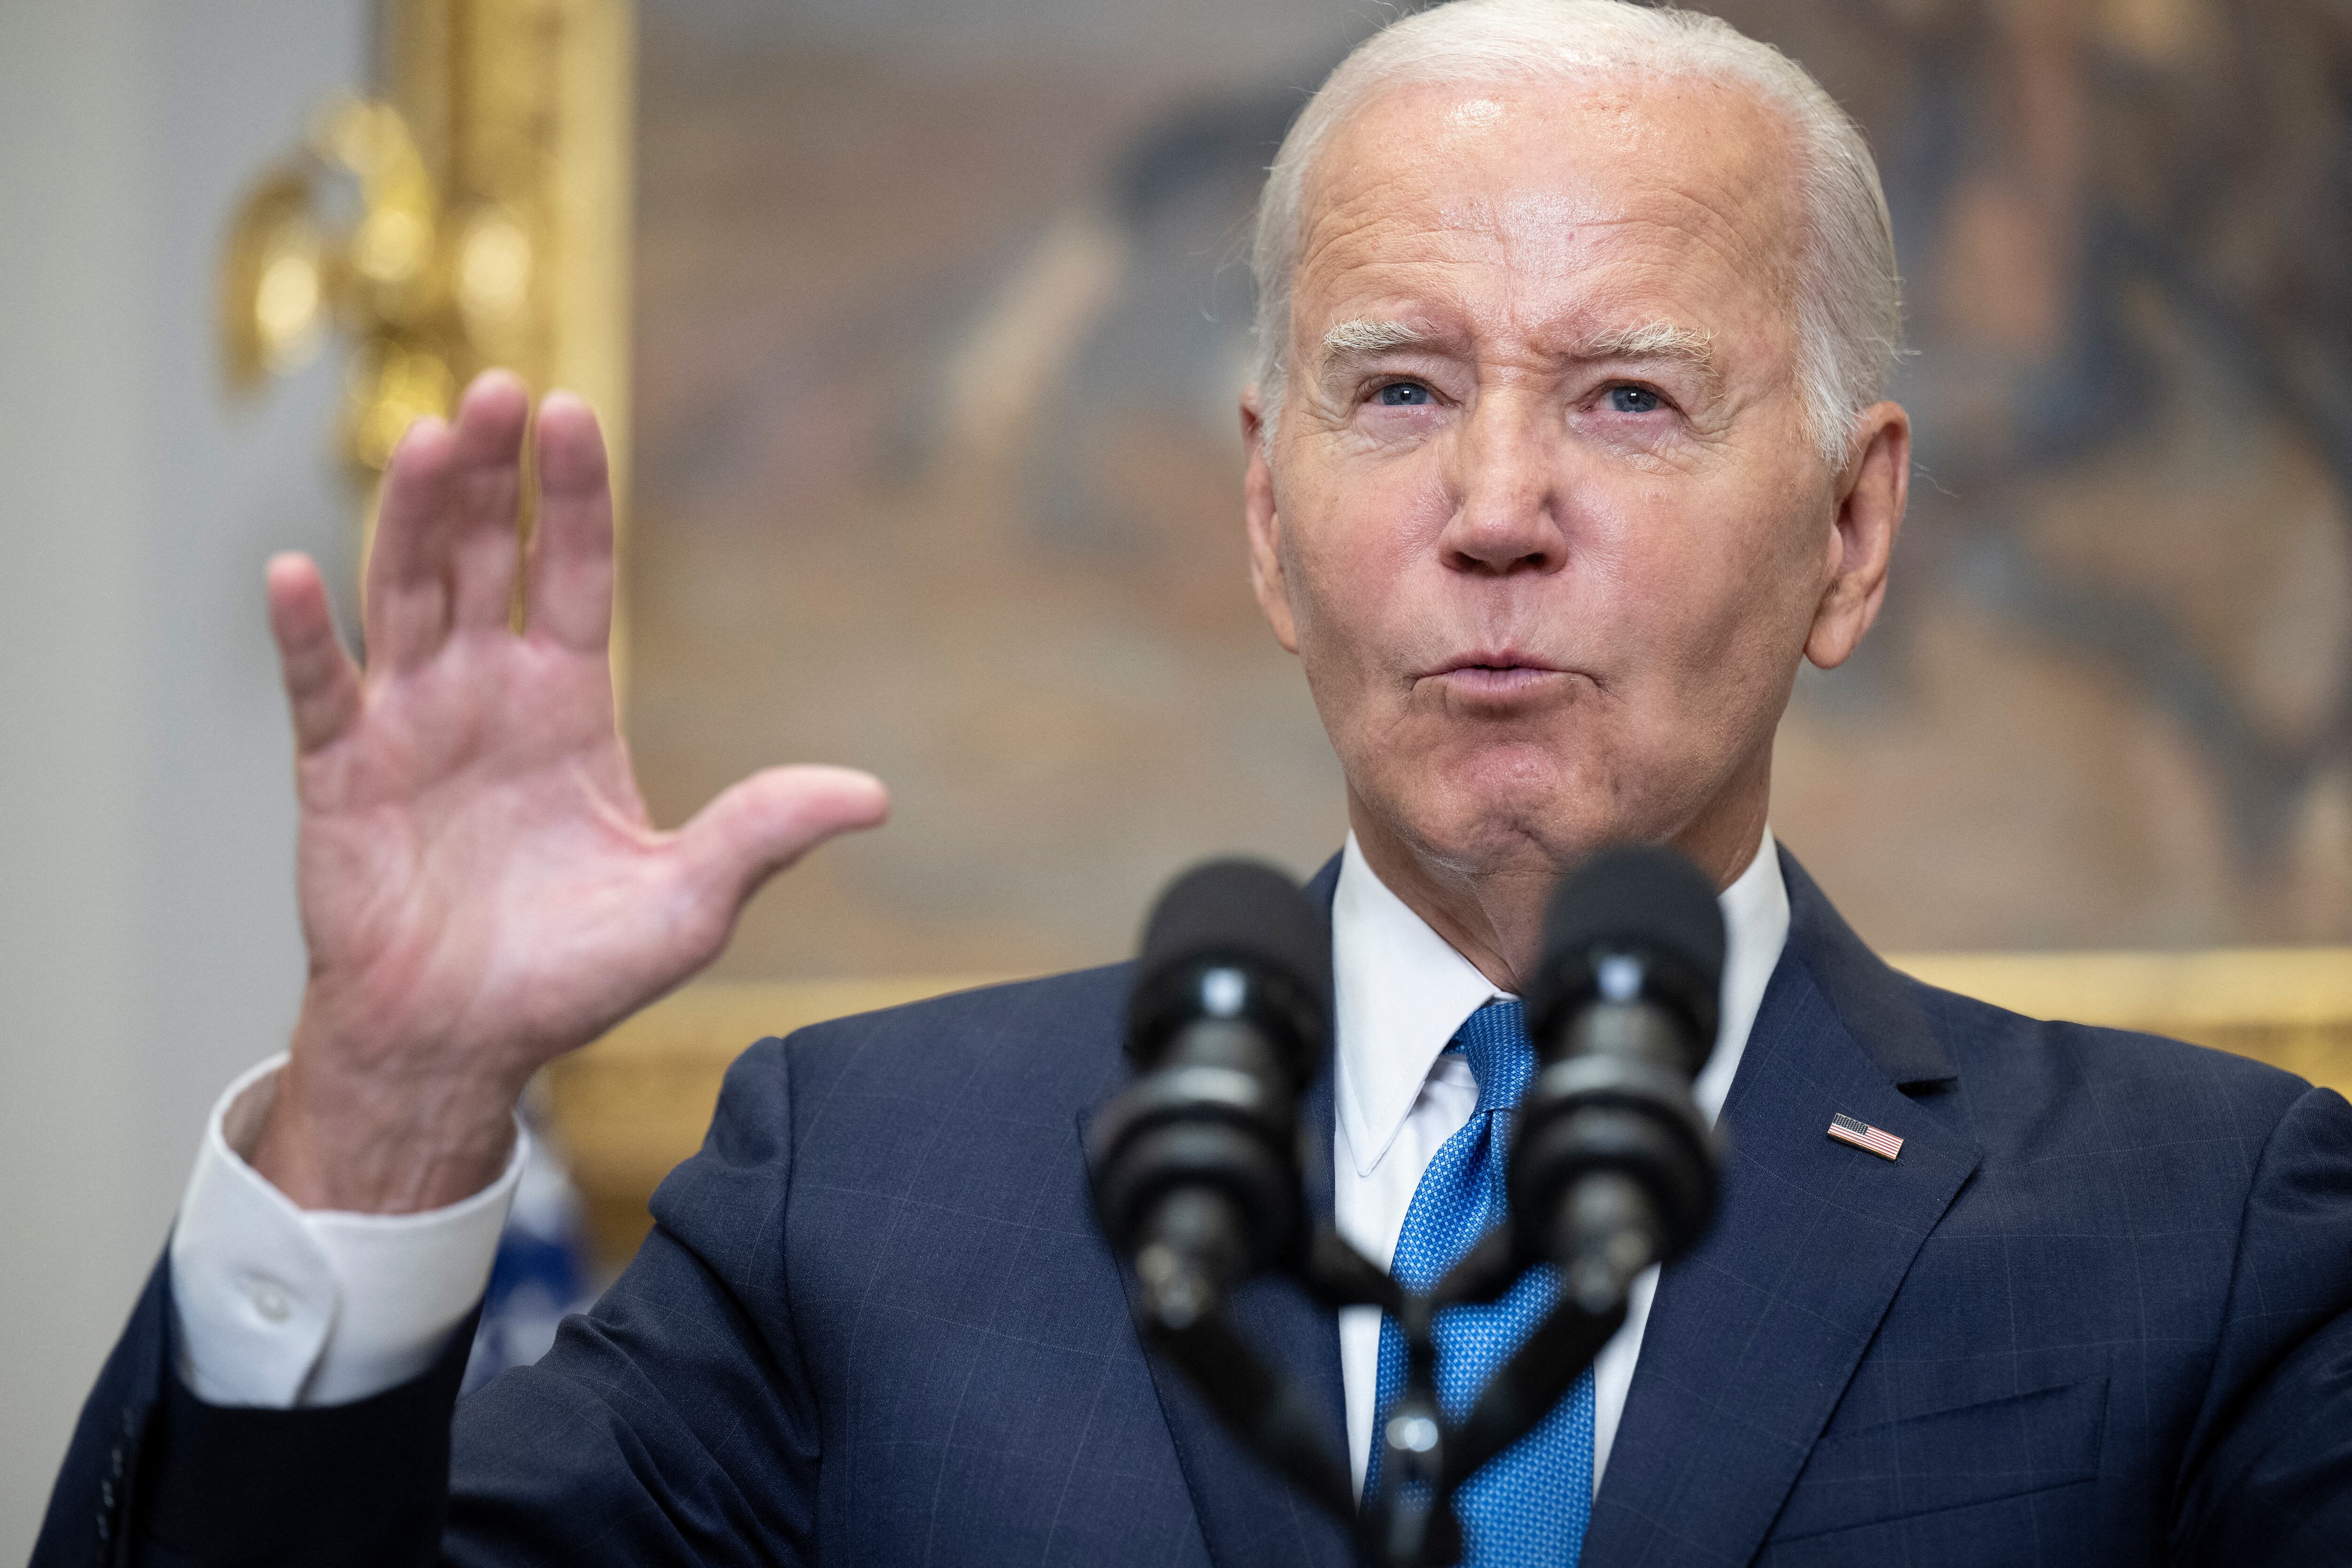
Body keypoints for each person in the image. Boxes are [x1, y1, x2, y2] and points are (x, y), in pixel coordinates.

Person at [36, 1, 2352, 1564]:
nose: (1496, 506)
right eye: (1395, 392)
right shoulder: (862, 1187)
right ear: (1263, 513)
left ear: (1850, 530)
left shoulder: (2203, 1228)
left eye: (1629, 398)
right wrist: (394, 1116)